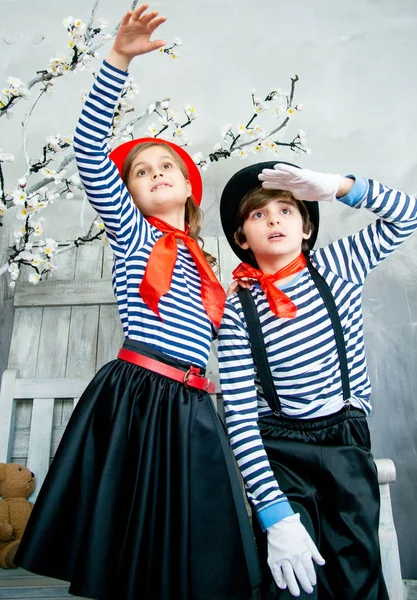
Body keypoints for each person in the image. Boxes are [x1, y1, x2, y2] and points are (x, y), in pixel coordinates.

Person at [15, 5, 260, 599]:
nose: (153, 174)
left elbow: (218, 341)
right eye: (140, 172)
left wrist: (233, 300)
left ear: (187, 185)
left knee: (188, 542)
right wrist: (119, 58)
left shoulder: (207, 265)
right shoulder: (135, 233)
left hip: (194, 404)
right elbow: (89, 147)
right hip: (138, 393)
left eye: (165, 166)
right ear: (125, 194)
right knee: (127, 538)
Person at [218, 161, 417, 599]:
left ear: (307, 228)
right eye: (258, 215)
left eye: (286, 210)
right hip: (278, 448)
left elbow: (411, 213)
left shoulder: (339, 265)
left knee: (356, 572)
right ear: (241, 238)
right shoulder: (237, 309)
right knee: (291, 579)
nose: (273, 219)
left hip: (343, 439)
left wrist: (336, 187)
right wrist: (274, 514)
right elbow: (239, 415)